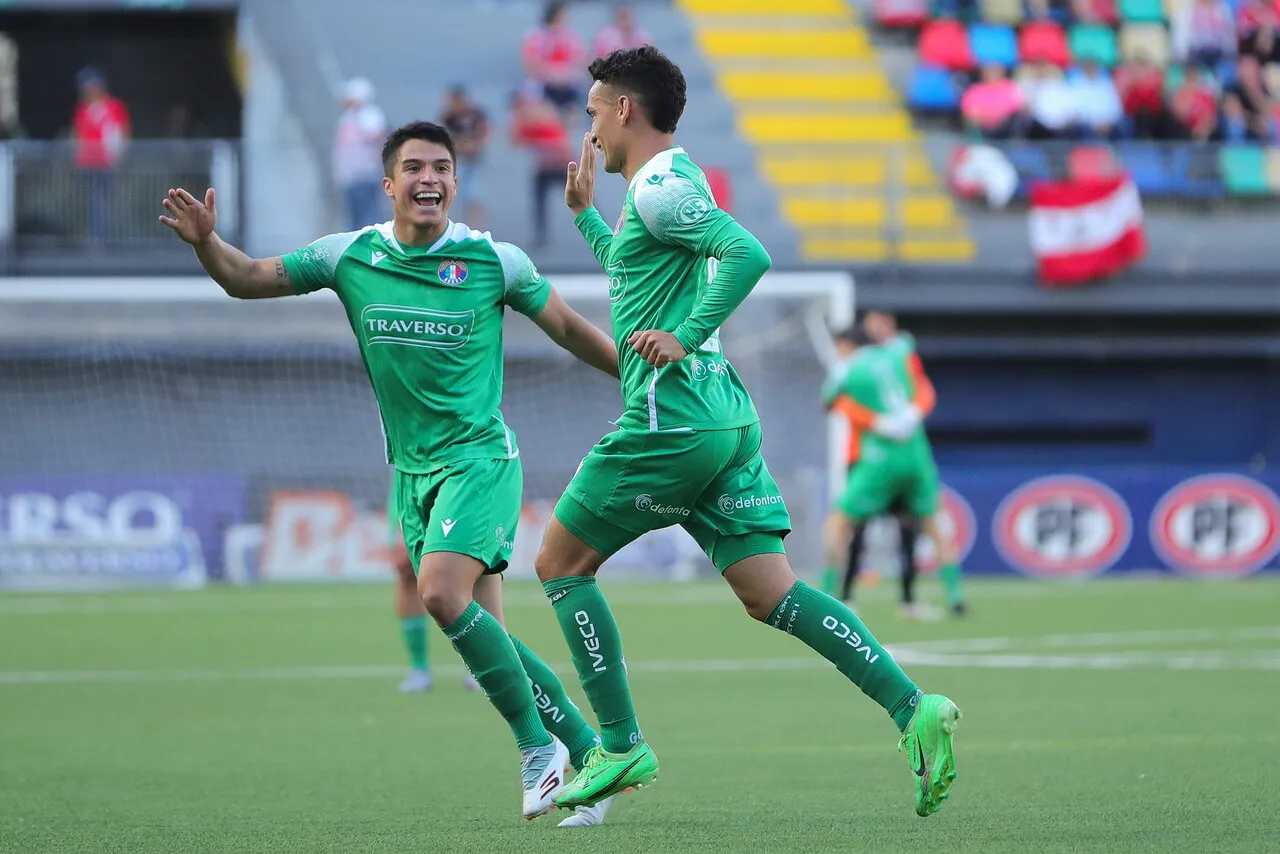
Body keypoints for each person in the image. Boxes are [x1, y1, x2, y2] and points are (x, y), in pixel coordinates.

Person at [533, 46, 961, 818]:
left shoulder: (661, 187)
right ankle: (913, 709)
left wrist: (687, 333)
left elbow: (747, 253)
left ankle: (622, 743)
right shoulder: (662, 188)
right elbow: (638, 274)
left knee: (561, 564)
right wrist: (585, 218)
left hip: (675, 415)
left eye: (595, 109)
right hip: (722, 417)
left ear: (625, 109)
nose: (590, 125)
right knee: (773, 592)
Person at [159, 120, 625, 826]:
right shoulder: (351, 256)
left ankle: (538, 753)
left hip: (480, 460)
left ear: (454, 182)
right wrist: (206, 245)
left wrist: (642, 376)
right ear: (390, 184)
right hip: (412, 474)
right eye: (413, 167)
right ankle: (594, 755)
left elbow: (568, 329)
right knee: (489, 637)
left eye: (441, 166)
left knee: (440, 593)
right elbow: (249, 279)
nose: (429, 178)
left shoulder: (494, 261)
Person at [385, 471, 480, 694]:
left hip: (456, 476)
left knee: (463, 576)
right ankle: (419, 669)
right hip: (409, 480)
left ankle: (476, 666)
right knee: (406, 573)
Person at [72, 66, 129, 243]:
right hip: (86, 165)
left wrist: (119, 158)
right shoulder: (82, 110)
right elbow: (77, 136)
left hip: (106, 164)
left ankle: (103, 239)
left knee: (103, 201)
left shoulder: (114, 107)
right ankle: (91, 238)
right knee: (90, 202)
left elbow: (121, 134)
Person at [333, 78, 389, 231]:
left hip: (366, 175)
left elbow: (378, 136)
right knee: (354, 215)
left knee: (368, 216)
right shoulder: (347, 117)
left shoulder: (371, 115)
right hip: (350, 176)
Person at [441, 85, 490, 229]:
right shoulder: (448, 117)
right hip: (456, 161)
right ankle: (456, 229)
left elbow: (486, 134)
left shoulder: (476, 114)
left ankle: (476, 230)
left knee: (474, 196)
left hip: (474, 160)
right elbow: (444, 137)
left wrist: (474, 144)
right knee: (454, 197)